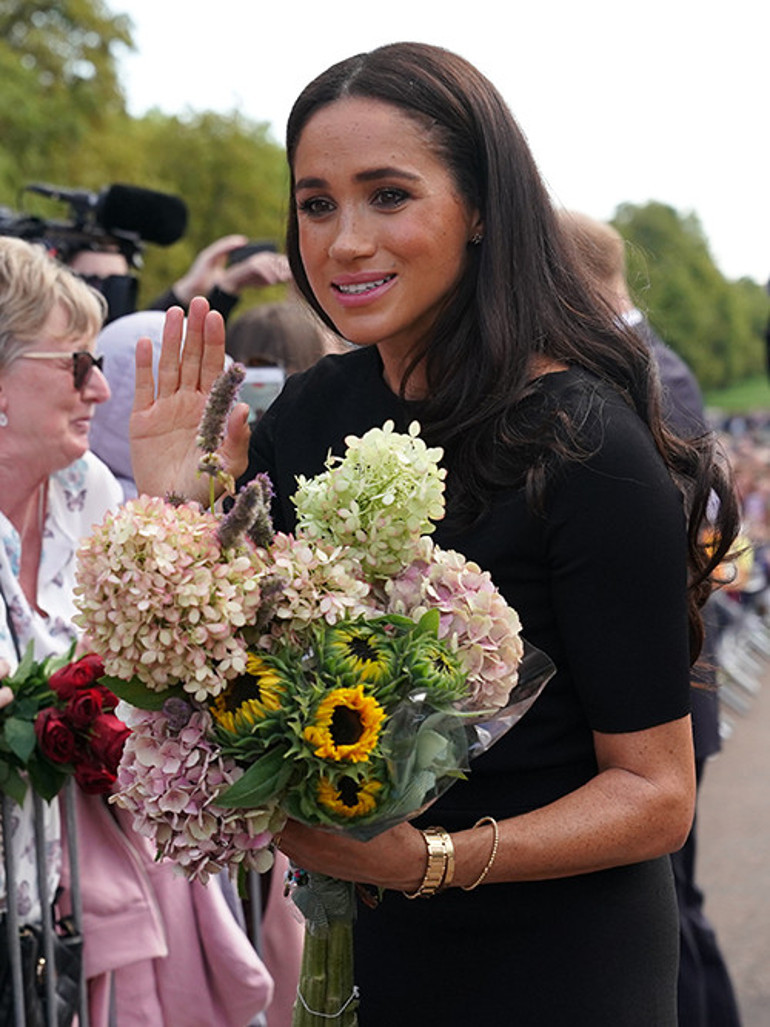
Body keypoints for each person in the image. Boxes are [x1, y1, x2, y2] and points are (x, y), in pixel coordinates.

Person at [129, 43, 740, 1026]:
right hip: (366, 954)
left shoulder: (583, 443)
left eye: (387, 195)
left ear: (482, 209)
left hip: (558, 968)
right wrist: (184, 507)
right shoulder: (306, 418)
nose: (342, 242)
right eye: (316, 203)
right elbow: (242, 682)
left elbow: (656, 794)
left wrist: (428, 861)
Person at [0, 237, 273, 1027]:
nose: (98, 388)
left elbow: (186, 655)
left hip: (72, 910)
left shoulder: (84, 488)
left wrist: (182, 502)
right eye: (75, 362)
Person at [557, 210, 743, 1026]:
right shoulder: (651, 360)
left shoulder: (642, 372)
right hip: (669, 679)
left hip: (661, 686)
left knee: (675, 916)